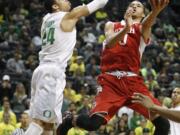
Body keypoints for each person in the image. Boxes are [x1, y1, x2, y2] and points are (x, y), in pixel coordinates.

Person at [58, 0, 170, 135]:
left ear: (142, 14)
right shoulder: (111, 25)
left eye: (138, 6)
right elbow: (111, 42)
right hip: (110, 82)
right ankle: (70, 120)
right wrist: (126, 28)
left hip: (133, 83)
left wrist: (156, 11)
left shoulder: (142, 28)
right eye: (131, 5)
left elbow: (147, 24)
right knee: (92, 124)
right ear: (125, 11)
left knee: (163, 124)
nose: (134, 6)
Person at [25, 0, 109, 135]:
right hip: (52, 73)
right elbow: (99, 3)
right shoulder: (68, 16)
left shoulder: (46, 19)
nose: (68, 1)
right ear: (55, 6)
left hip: (41, 71)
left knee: (47, 125)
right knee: (40, 123)